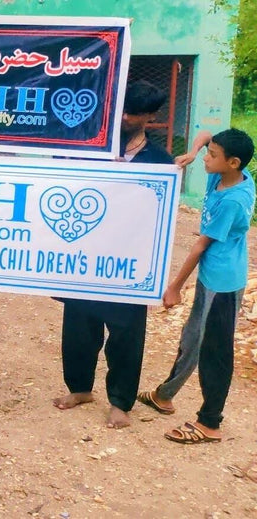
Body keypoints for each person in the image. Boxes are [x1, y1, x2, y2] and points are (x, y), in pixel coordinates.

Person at [51, 80, 175, 428]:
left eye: (132, 113)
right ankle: (79, 388)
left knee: (125, 335)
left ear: (149, 117)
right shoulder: (90, 149)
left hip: (128, 262)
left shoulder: (159, 162)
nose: (123, 117)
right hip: (85, 257)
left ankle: (120, 402)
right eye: (120, 109)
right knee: (78, 327)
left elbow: (159, 216)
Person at [136, 128, 255, 444]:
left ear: (233, 162)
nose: (206, 156)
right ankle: (165, 395)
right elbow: (204, 132)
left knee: (216, 351)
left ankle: (209, 423)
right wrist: (193, 151)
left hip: (223, 282)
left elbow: (200, 246)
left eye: (212, 155)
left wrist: (174, 286)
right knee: (192, 336)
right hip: (212, 277)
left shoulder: (233, 200)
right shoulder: (228, 174)